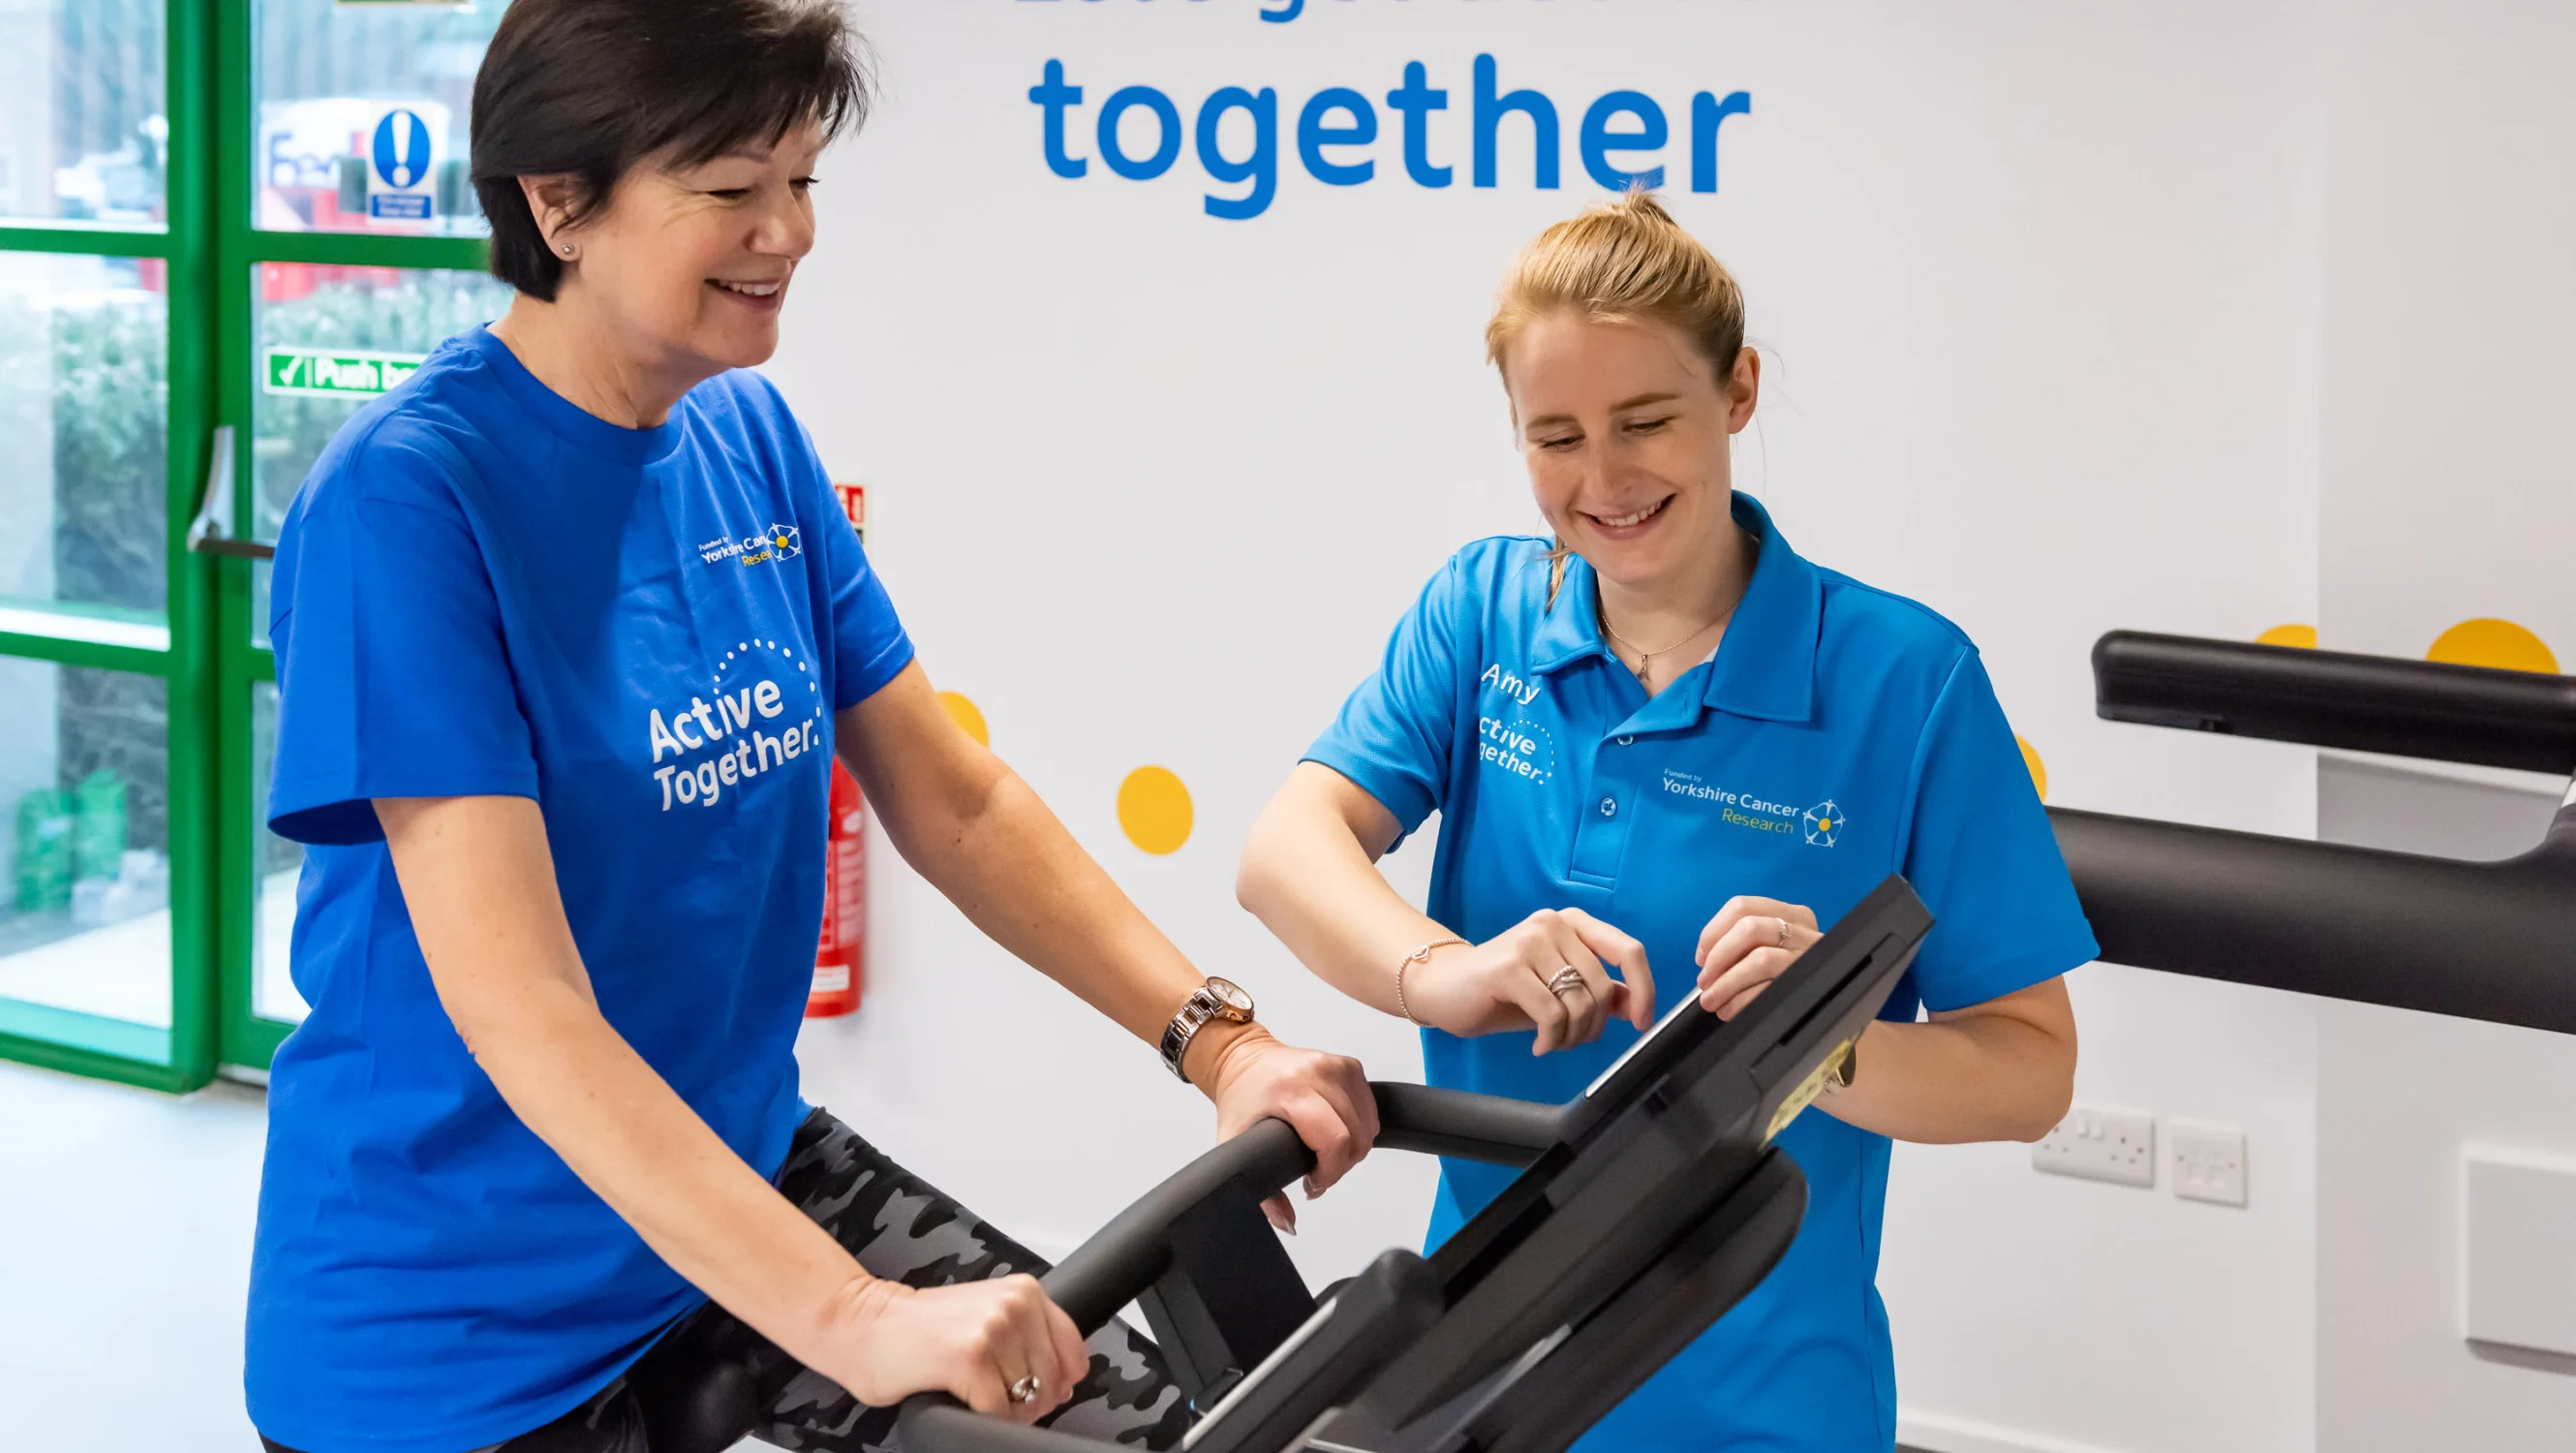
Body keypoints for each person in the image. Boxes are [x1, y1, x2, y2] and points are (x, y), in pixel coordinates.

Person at [245, 4, 1377, 1451]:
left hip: (735, 1175)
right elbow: (523, 1011)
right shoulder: (408, 504)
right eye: (730, 189)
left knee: (1171, 1429)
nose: (789, 230)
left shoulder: (747, 437)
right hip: (458, 1320)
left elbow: (954, 804)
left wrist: (1223, 1047)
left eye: (803, 183)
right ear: (557, 201)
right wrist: (852, 1319)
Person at [1237, 193, 2095, 1453]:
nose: (1603, 481)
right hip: (1475, 1384)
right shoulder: (1481, 615)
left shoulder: (1904, 681)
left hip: (1762, 1404)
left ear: (1738, 391)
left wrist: (1819, 1040)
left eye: (1645, 423)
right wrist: (1451, 973)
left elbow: (2033, 1070)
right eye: (1556, 437)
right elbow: (1285, 851)